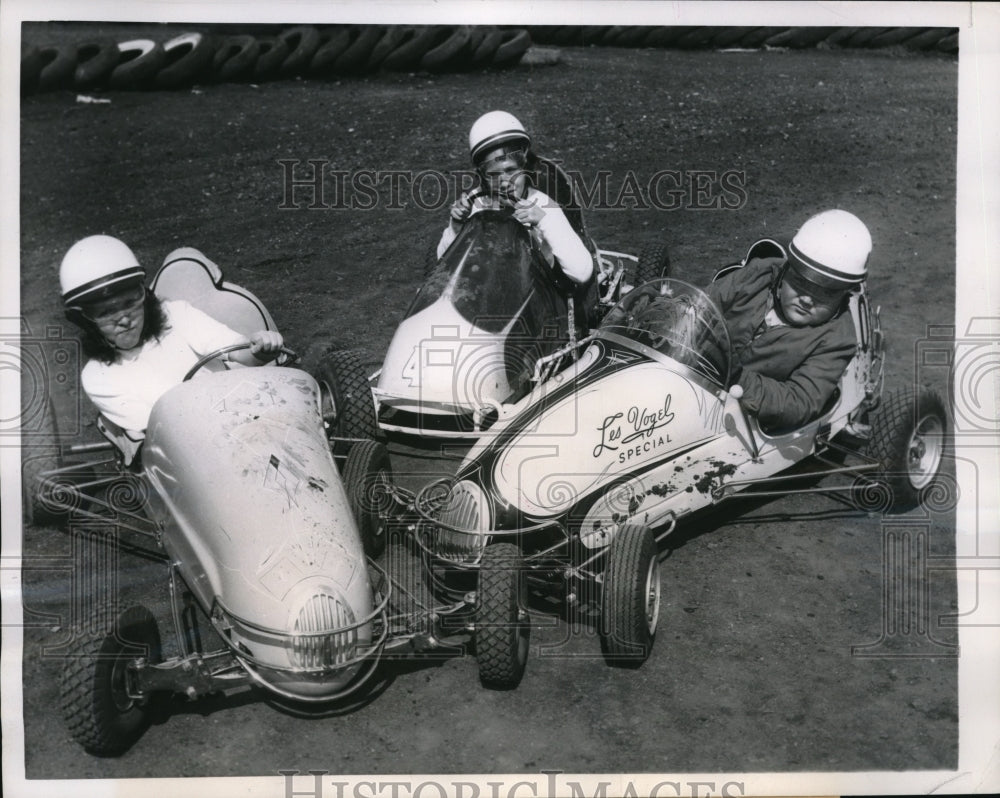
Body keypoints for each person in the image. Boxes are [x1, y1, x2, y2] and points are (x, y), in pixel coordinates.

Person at [59, 234, 284, 447]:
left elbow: (239, 351)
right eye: (106, 312)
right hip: (189, 449)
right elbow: (162, 434)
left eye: (130, 302)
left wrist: (260, 351)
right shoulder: (98, 377)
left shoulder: (176, 315)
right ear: (84, 320)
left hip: (241, 417)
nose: (124, 319)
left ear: (143, 295)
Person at [706, 209, 871, 432]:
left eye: (826, 293)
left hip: (748, 423)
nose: (807, 299)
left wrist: (736, 377)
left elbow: (798, 403)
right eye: (801, 282)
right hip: (694, 381)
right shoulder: (759, 274)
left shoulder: (837, 339)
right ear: (787, 269)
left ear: (845, 293)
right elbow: (701, 306)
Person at [437, 110, 594, 288]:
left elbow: (582, 273)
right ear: (482, 176)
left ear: (525, 167)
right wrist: (456, 226)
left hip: (533, 294)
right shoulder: (476, 201)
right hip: (483, 288)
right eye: (494, 175)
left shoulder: (544, 205)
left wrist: (545, 220)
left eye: (511, 170)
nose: (505, 183)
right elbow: (441, 267)